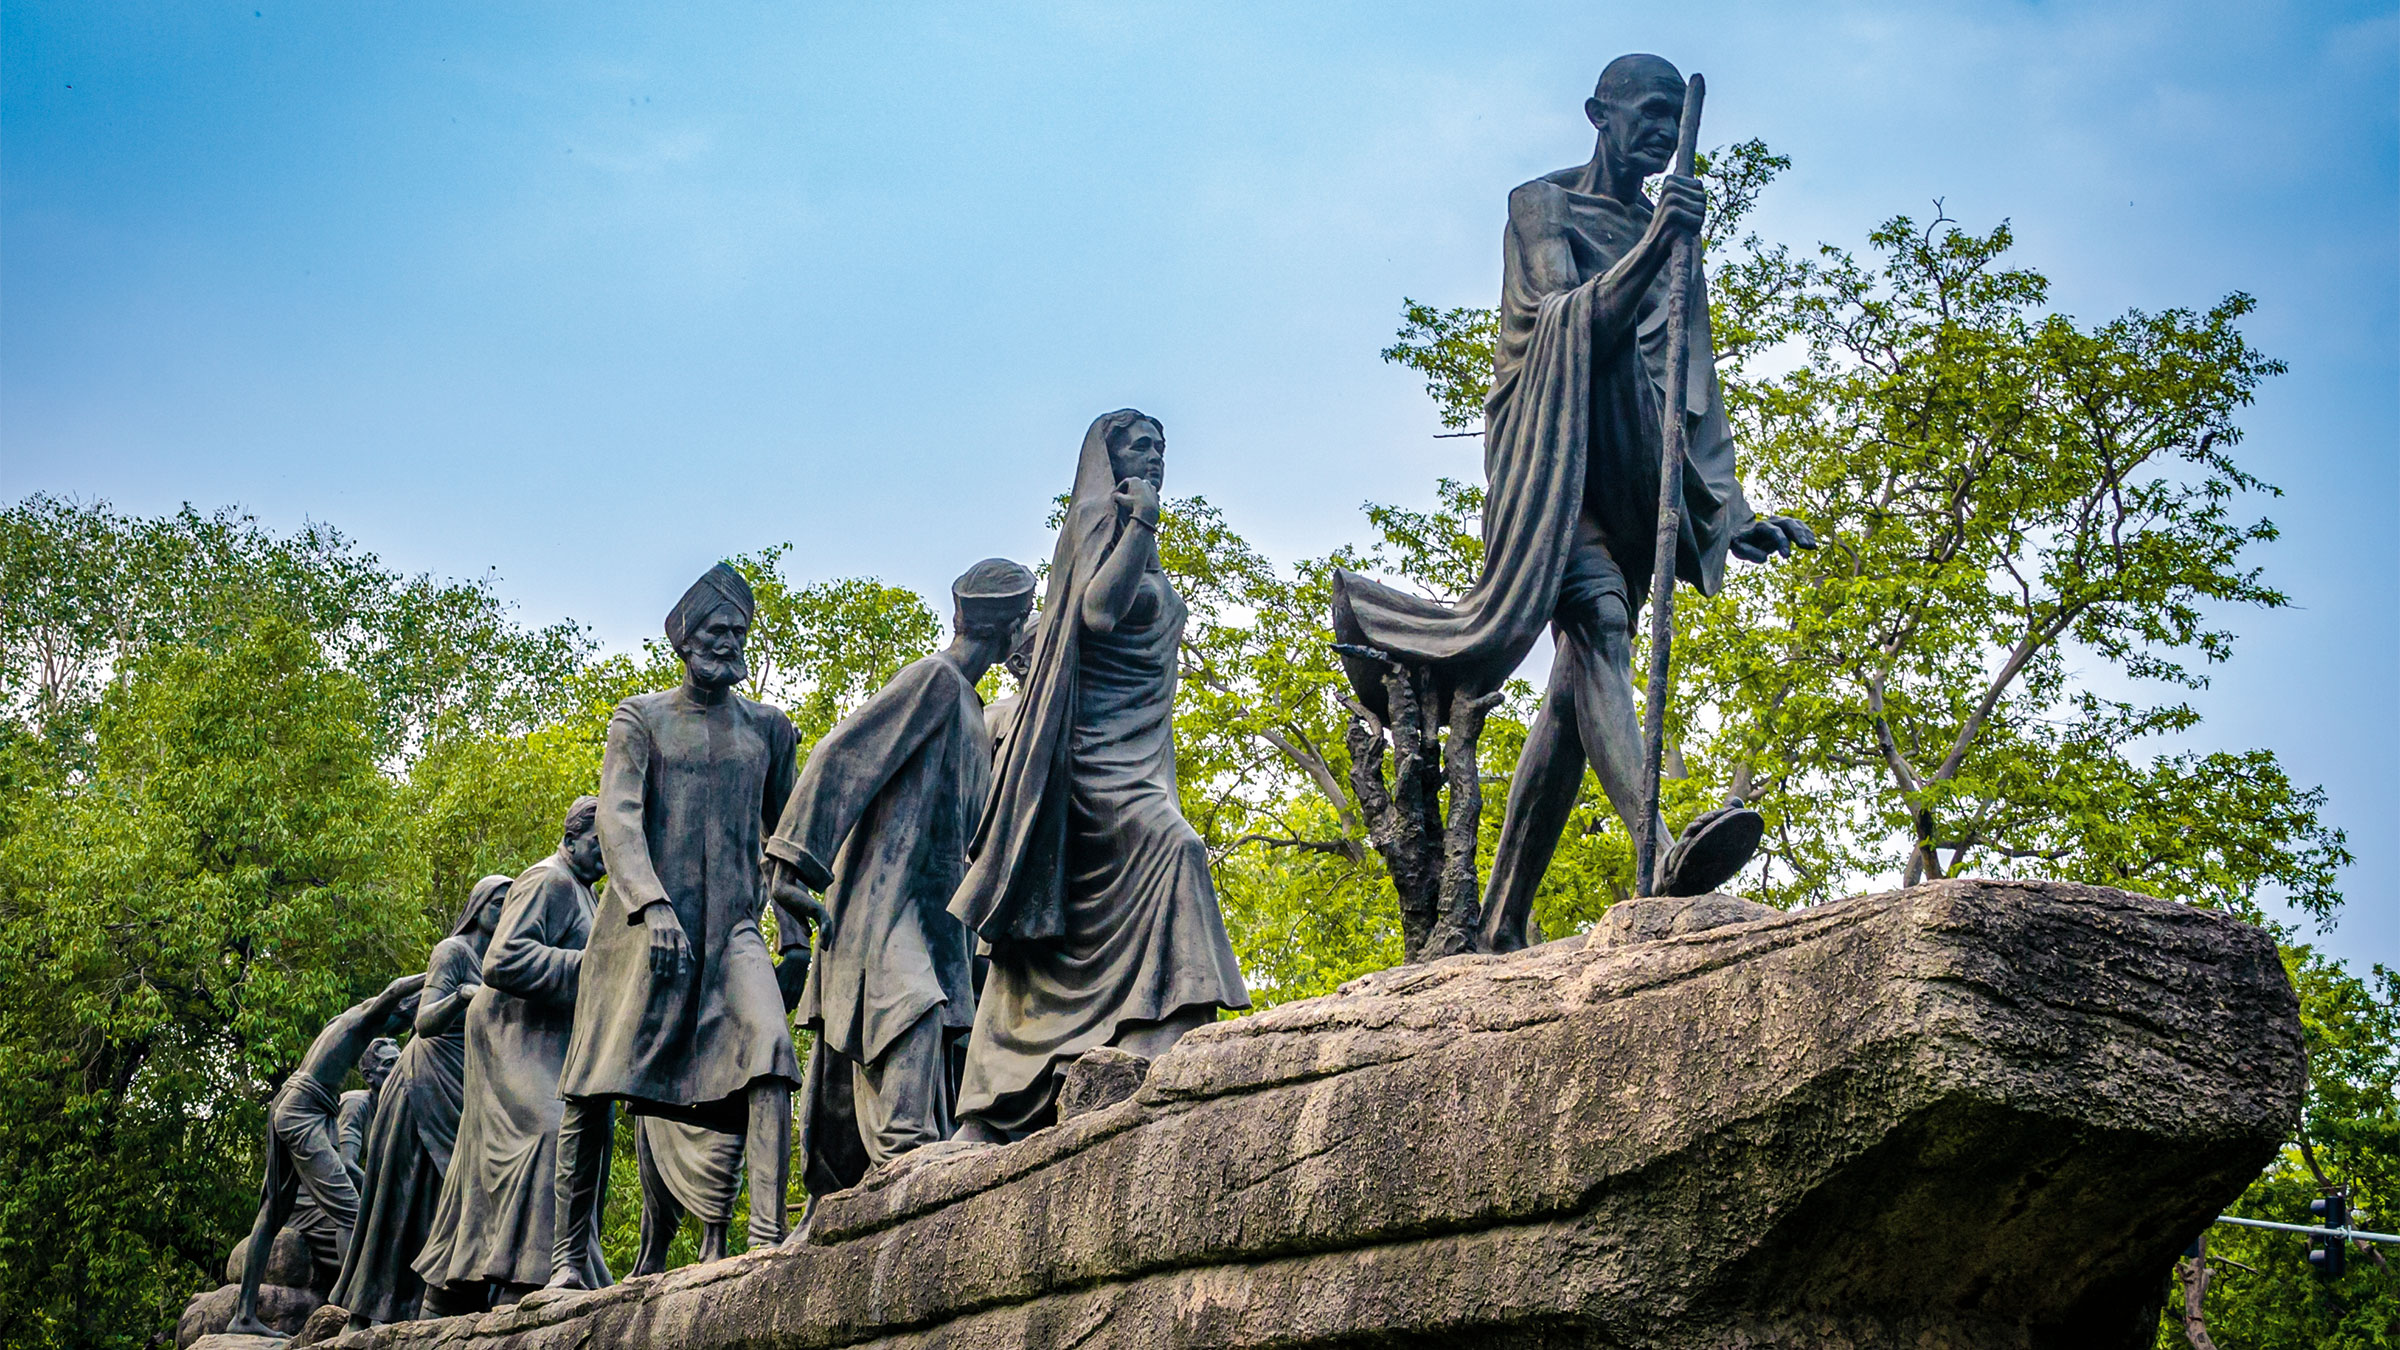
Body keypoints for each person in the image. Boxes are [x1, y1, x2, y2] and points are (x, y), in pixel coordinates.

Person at [1328, 54, 1816, 941]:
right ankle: (1663, 849)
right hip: (1547, 462)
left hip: (1628, 470)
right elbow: (1564, 317)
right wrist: (1655, 246)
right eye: (1650, 113)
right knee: (1599, 627)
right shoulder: (1541, 205)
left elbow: (1691, 377)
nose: (1665, 132)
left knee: (1573, 691)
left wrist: (1733, 509)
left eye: (1676, 117)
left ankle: (1503, 921)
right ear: (1600, 114)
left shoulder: (1670, 232)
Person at [949, 411, 1250, 1143]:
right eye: (1138, 447)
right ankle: (1169, 1035)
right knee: (1176, 852)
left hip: (1139, 755)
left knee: (1134, 879)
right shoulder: (1105, 535)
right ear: (1108, 463)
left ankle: (1150, 1038)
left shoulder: (1147, 557)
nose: (1153, 458)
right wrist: (1140, 524)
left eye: (1161, 447)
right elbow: (1099, 613)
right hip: (1090, 766)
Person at [550, 564, 809, 1285]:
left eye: (738, 632)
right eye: (716, 631)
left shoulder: (769, 730)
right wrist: (650, 903)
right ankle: (569, 1257)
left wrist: (793, 936)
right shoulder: (641, 718)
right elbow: (618, 818)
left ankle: (766, 1242)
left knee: (770, 1054)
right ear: (685, 639)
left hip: (731, 932)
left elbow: (784, 839)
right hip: (644, 932)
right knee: (593, 1084)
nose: (728, 643)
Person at [766, 558, 1036, 1193]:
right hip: (886, 916)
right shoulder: (935, 682)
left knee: (925, 1080)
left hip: (932, 920)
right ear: (1009, 633)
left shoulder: (972, 710)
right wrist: (792, 864)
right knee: (911, 1053)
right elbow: (840, 754)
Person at [414, 801, 609, 1312]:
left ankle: (467, 1280)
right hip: (509, 1033)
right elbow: (505, 959)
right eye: (597, 844)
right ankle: (527, 1275)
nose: (606, 856)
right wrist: (593, 965)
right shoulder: (547, 880)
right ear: (571, 838)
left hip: (551, 1039)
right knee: (549, 1133)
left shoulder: (589, 894)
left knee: (574, 1140)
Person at [331, 874, 510, 1329]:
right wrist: (459, 997)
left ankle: (433, 1302)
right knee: (400, 1194)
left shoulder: (499, 958)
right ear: (478, 905)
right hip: (422, 1081)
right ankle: (365, 1309)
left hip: (465, 1085)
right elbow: (425, 1022)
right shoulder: (452, 952)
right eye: (498, 902)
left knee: (451, 1195)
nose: (504, 911)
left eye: (512, 904)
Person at [225, 974, 425, 1337]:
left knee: (272, 1214)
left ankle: (243, 1315)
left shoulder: (348, 1024)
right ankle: (358, 1310)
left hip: (292, 1103)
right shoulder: (365, 1018)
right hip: (303, 1110)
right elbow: (396, 990)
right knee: (352, 1212)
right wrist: (435, 973)